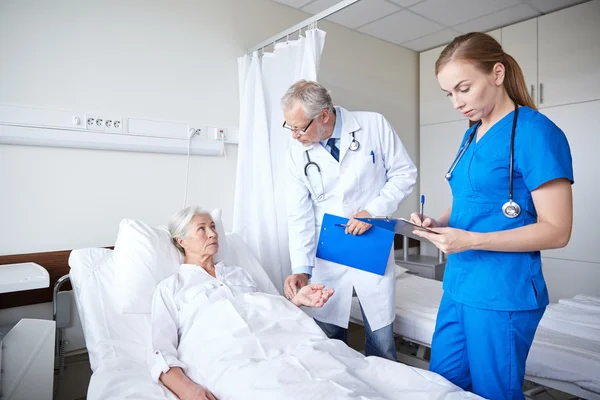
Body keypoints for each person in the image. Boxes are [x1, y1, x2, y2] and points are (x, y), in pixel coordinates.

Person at [410, 32, 574, 400]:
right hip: (457, 286)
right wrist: (439, 222)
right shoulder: (471, 135)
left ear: (496, 74)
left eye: (463, 89)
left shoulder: (536, 133)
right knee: (444, 385)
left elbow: (557, 230)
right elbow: (470, 198)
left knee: (493, 393)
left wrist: (471, 240)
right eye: (449, 94)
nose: (456, 103)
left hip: (502, 293)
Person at [281, 80, 417, 361]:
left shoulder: (374, 126)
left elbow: (405, 173)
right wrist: (301, 268)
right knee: (328, 342)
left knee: (381, 342)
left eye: (299, 127)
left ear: (324, 116)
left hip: (372, 244)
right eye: (290, 127)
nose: (294, 135)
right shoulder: (296, 151)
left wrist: (374, 210)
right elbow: (299, 213)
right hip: (328, 254)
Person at [150, 206, 335, 400]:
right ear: (182, 241)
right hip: (228, 358)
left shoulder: (239, 274)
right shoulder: (171, 288)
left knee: (330, 369)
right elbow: (161, 351)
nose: (213, 233)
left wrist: (295, 301)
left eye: (213, 227)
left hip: (281, 345)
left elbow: (266, 314)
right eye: (202, 229)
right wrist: (189, 391)